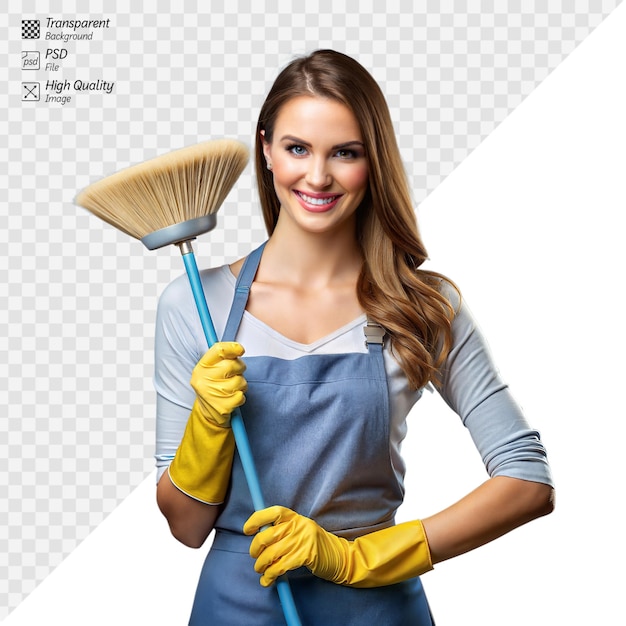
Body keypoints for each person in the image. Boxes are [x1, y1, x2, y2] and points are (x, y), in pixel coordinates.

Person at [154, 49, 555, 625]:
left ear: (374, 161)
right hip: (237, 606)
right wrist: (207, 427)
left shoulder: (421, 306)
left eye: (345, 153)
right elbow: (185, 526)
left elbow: (528, 480)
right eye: (297, 149)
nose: (317, 176)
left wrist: (356, 558)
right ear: (265, 148)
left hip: (375, 606)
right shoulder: (196, 304)